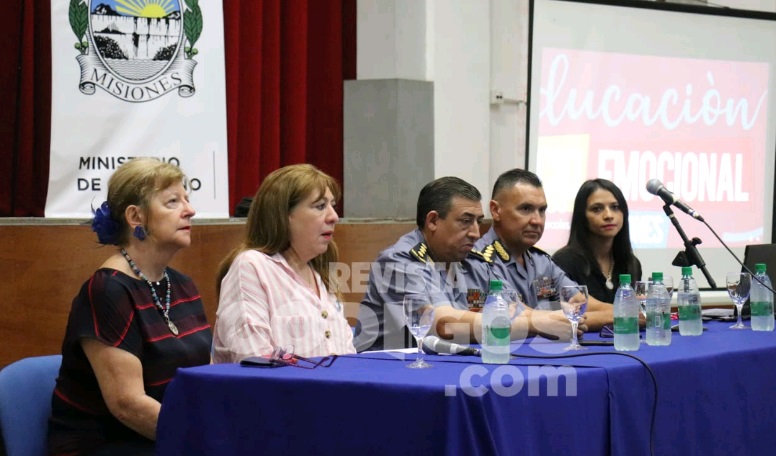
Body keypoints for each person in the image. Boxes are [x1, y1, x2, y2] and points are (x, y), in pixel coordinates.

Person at [48, 158, 212, 456]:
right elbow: (128, 405)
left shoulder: (183, 285)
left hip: (167, 437)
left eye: (187, 199)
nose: (190, 210)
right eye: (173, 201)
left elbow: (206, 376)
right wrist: (201, 438)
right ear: (136, 217)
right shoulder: (108, 290)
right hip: (109, 444)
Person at [355, 176, 577, 352]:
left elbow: (515, 309)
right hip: (388, 376)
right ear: (433, 221)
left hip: (446, 369)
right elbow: (443, 324)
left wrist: (555, 319)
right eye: (465, 221)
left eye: (478, 222)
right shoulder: (399, 262)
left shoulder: (473, 262)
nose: (475, 233)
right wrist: (537, 324)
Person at [213, 164, 355, 362]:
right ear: (284, 216)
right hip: (281, 392)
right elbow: (256, 362)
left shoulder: (320, 271)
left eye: (333, 206)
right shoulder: (251, 267)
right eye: (320, 206)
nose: (334, 217)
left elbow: (346, 355)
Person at [474, 168, 613, 331]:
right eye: (526, 209)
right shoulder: (480, 260)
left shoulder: (540, 261)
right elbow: (521, 316)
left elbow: (581, 303)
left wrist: (628, 310)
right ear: (496, 210)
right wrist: (625, 316)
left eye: (542, 210)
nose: (537, 220)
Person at [552, 178, 643, 304]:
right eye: (597, 209)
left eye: (615, 207)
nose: (609, 215)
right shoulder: (564, 262)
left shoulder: (631, 263)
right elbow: (570, 314)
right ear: (582, 216)